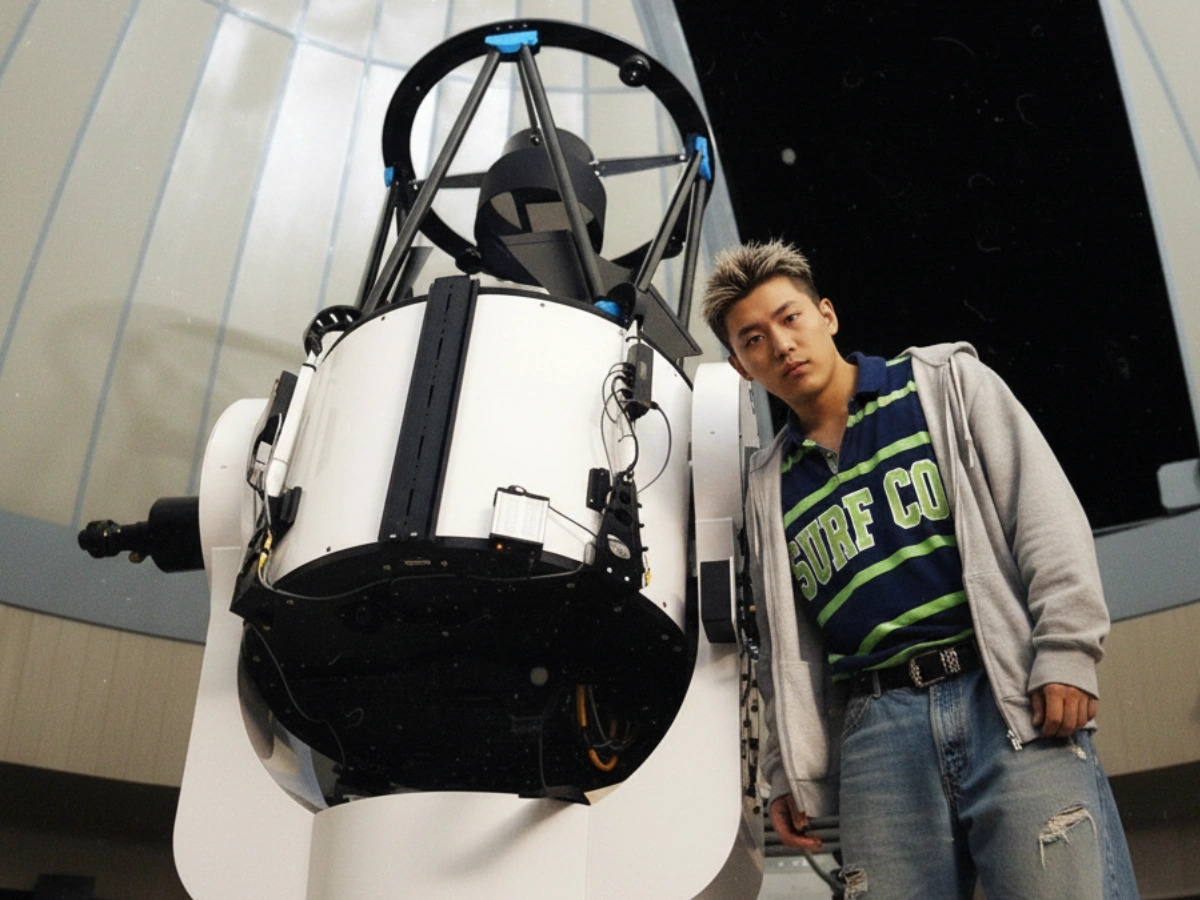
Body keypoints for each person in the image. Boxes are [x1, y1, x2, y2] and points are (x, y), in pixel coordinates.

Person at [701, 239, 1138, 899]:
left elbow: (1044, 515)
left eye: (790, 318)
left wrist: (1067, 650)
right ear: (740, 366)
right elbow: (784, 649)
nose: (782, 344)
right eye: (754, 339)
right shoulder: (767, 488)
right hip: (875, 730)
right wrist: (786, 769)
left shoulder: (943, 385)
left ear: (827, 315)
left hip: (1003, 693)